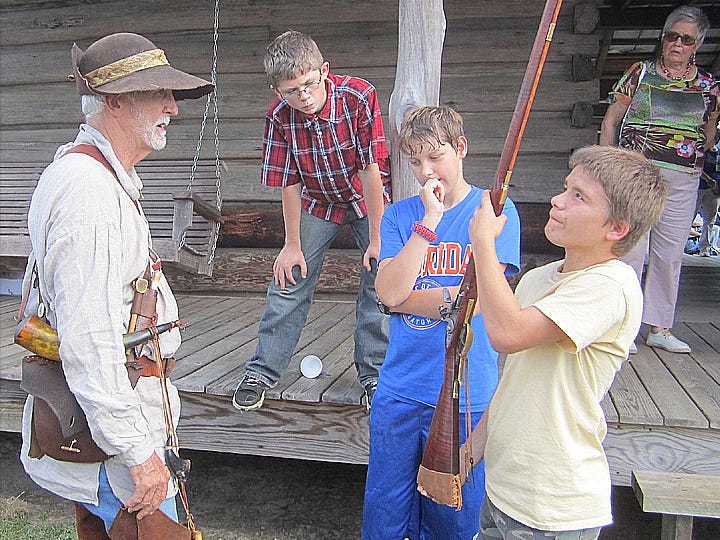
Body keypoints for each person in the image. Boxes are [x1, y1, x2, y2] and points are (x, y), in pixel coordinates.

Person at [18, 33, 213, 537]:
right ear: (115, 101)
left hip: (123, 412)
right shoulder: (89, 194)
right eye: (159, 94)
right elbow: (90, 340)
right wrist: (137, 452)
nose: (172, 106)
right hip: (116, 434)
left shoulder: (95, 177)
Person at [459, 146, 667, 539]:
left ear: (617, 228)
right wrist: (468, 454)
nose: (558, 200)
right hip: (504, 490)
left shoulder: (612, 285)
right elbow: (515, 383)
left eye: (579, 196)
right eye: (566, 187)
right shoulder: (541, 279)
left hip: (551, 506)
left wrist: (483, 242)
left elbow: (505, 335)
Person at [362, 106, 521, 539]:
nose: (425, 171)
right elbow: (388, 292)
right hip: (400, 388)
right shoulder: (399, 216)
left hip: (465, 392)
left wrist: (410, 300)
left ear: (462, 148)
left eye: (435, 157)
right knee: (386, 506)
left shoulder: (492, 211)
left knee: (453, 511)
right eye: (414, 161)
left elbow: (485, 300)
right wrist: (429, 223)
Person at [232, 30, 391, 411]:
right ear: (276, 90)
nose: (303, 96)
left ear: (324, 70)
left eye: (309, 84)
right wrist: (291, 245)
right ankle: (263, 370)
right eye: (291, 91)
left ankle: (374, 375)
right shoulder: (278, 117)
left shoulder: (358, 96)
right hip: (318, 202)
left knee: (379, 277)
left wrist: (378, 236)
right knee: (289, 279)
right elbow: (287, 181)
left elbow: (372, 169)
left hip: (366, 198)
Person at [599, 5, 719, 353]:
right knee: (631, 248)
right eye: (671, 36)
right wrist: (607, 166)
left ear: (697, 45)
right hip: (636, 174)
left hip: (682, 179)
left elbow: (709, 136)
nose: (677, 44)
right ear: (663, 38)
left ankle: (660, 327)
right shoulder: (641, 73)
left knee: (669, 254)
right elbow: (611, 121)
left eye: (686, 39)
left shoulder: (708, 87)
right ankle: (623, 325)